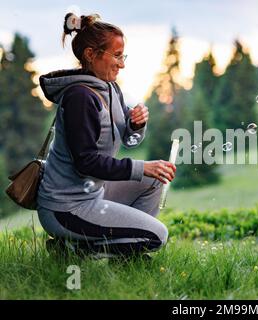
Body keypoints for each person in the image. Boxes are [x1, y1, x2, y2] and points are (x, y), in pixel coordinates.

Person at [37, 13, 176, 258]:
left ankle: (124, 253)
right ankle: (73, 248)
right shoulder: (80, 97)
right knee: (156, 236)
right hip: (66, 208)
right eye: (117, 55)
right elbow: (86, 163)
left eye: (123, 56)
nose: (122, 64)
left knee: (156, 179)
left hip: (94, 192)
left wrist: (136, 125)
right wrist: (142, 167)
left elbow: (131, 141)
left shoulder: (110, 88)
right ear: (91, 54)